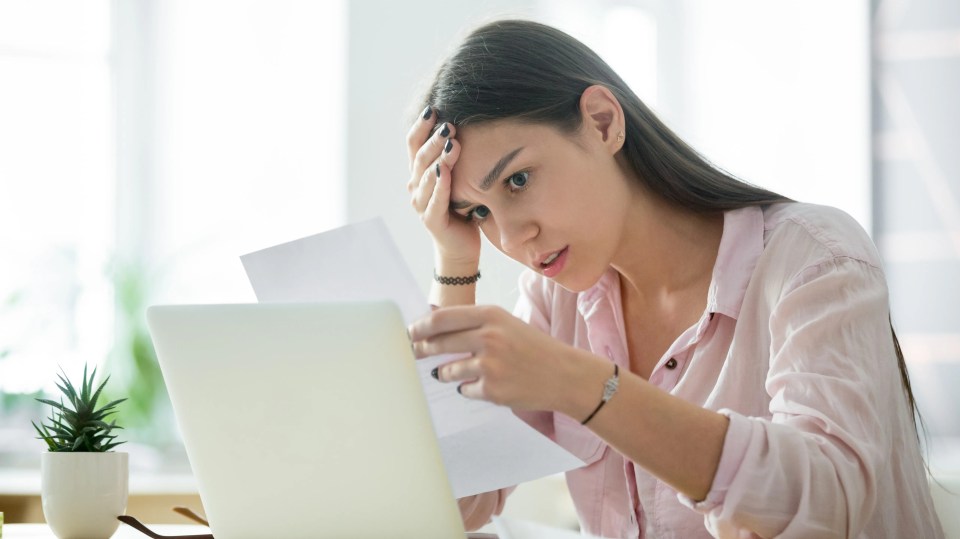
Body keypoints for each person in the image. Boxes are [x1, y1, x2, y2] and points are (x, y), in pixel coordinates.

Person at [404, 19, 944, 539]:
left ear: (602, 122)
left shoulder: (812, 258)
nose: (513, 237)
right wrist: (454, 262)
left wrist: (583, 384)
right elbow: (456, 504)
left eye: (518, 180)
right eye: (478, 212)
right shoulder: (555, 300)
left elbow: (828, 503)